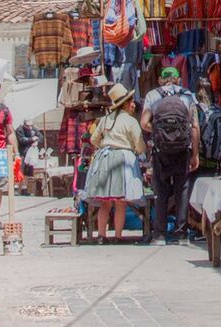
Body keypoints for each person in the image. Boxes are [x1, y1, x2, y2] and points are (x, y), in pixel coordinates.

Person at [140, 70, 201, 243]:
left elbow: (144, 123)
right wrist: (195, 154)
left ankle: (159, 234)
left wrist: (160, 132)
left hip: (161, 150)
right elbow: (195, 127)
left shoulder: (153, 95)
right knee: (182, 190)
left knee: (160, 190)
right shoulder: (188, 95)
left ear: (160, 80)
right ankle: (181, 233)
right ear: (178, 80)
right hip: (183, 149)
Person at [83, 91, 144, 238]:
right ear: (125, 104)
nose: (133, 104)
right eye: (131, 101)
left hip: (104, 159)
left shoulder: (104, 120)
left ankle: (101, 235)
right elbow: (140, 145)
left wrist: (105, 146)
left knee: (105, 202)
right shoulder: (130, 121)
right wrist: (137, 150)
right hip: (122, 160)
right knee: (120, 202)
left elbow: (94, 140)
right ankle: (117, 236)